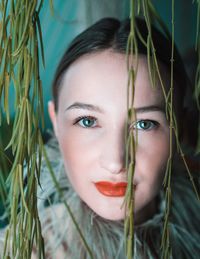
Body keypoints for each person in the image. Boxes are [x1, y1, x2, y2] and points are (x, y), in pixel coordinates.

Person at [1, 17, 200, 258]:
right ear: (56, 123)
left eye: (144, 124)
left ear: (178, 127)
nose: (115, 162)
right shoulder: (20, 250)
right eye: (87, 121)